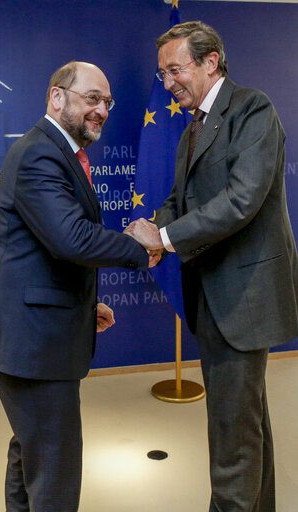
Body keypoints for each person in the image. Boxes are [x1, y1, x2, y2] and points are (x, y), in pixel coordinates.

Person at [0, 61, 159, 512]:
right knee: (54, 474)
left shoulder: (59, 152)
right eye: (91, 98)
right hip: (31, 347)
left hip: (36, 334)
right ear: (57, 97)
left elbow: (42, 252)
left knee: (31, 454)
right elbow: (70, 237)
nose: (102, 111)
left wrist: (82, 305)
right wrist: (138, 246)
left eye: (107, 102)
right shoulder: (40, 153)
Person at [124, 21, 298, 512]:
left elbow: (241, 200)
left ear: (210, 61)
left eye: (175, 69)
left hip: (244, 302)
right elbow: (180, 201)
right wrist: (153, 228)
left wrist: (162, 237)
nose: (168, 83)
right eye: (162, 75)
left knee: (231, 441)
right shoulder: (192, 128)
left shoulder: (253, 110)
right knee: (246, 424)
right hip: (216, 301)